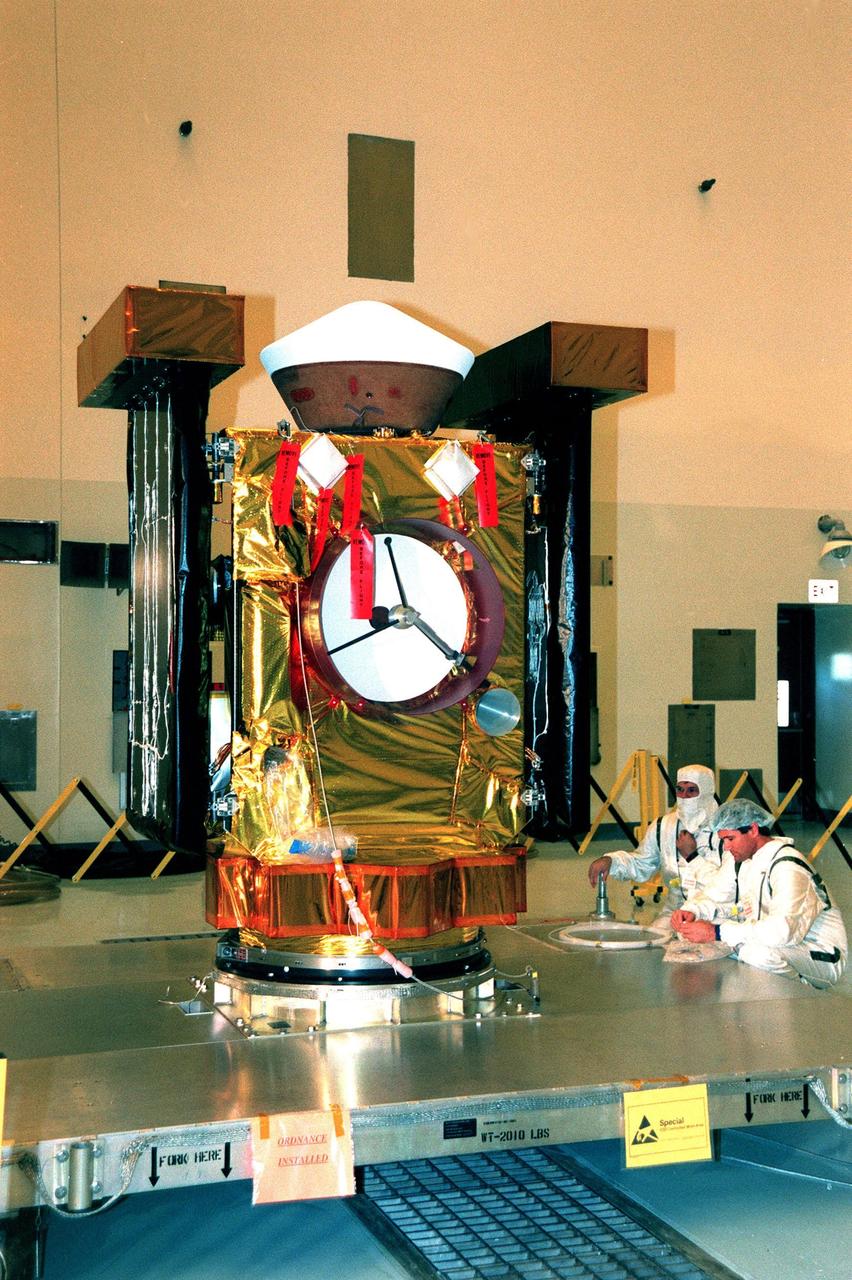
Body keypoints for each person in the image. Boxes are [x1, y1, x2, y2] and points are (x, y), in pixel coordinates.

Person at [671, 798, 847, 988]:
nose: (727, 847)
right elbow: (715, 892)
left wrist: (716, 932)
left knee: (755, 953)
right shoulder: (743, 859)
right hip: (784, 944)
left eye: (731, 839)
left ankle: (803, 995)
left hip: (820, 954)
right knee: (729, 942)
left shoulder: (788, 867)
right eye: (723, 840)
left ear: (753, 830)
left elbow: (782, 931)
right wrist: (692, 910)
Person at [587, 764, 726, 925]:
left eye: (692, 790)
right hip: (674, 912)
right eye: (680, 790)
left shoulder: (725, 830)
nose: (684, 796)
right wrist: (612, 861)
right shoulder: (664, 826)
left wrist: (692, 857)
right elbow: (641, 863)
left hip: (714, 914)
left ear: (706, 792)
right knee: (655, 942)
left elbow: (728, 885)